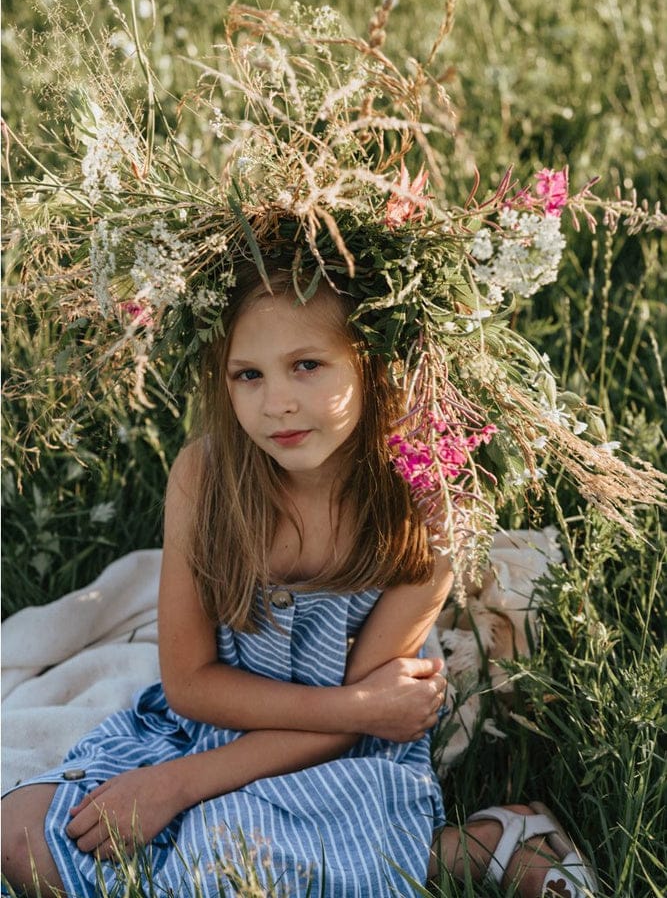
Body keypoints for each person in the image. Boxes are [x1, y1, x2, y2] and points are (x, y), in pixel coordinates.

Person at [2, 261, 598, 898]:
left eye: (307, 365)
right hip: (225, 723)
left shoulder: (429, 498)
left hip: (340, 750)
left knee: (232, 869)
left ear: (372, 363)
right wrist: (170, 777)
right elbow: (191, 685)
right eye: (248, 374)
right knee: (18, 836)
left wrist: (174, 787)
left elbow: (367, 722)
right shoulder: (206, 477)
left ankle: (477, 847)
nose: (276, 402)